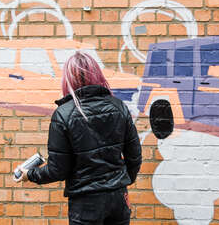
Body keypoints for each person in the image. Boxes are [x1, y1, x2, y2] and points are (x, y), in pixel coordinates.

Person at [14, 51, 142, 225]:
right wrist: (122, 182)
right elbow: (134, 155)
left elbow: (58, 169)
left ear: (68, 80)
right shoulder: (118, 106)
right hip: (118, 199)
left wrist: (31, 174)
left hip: (85, 203)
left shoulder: (63, 114)